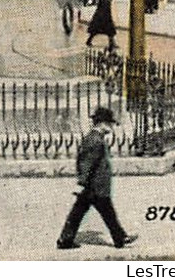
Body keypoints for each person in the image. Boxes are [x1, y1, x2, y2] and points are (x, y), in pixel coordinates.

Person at [57, 107, 137, 250]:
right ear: (102, 124)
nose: (112, 127)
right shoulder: (95, 141)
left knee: (78, 213)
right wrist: (81, 182)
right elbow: (86, 162)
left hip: (93, 186)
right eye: (110, 124)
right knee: (106, 213)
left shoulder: (95, 138)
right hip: (95, 187)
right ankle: (120, 238)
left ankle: (65, 240)